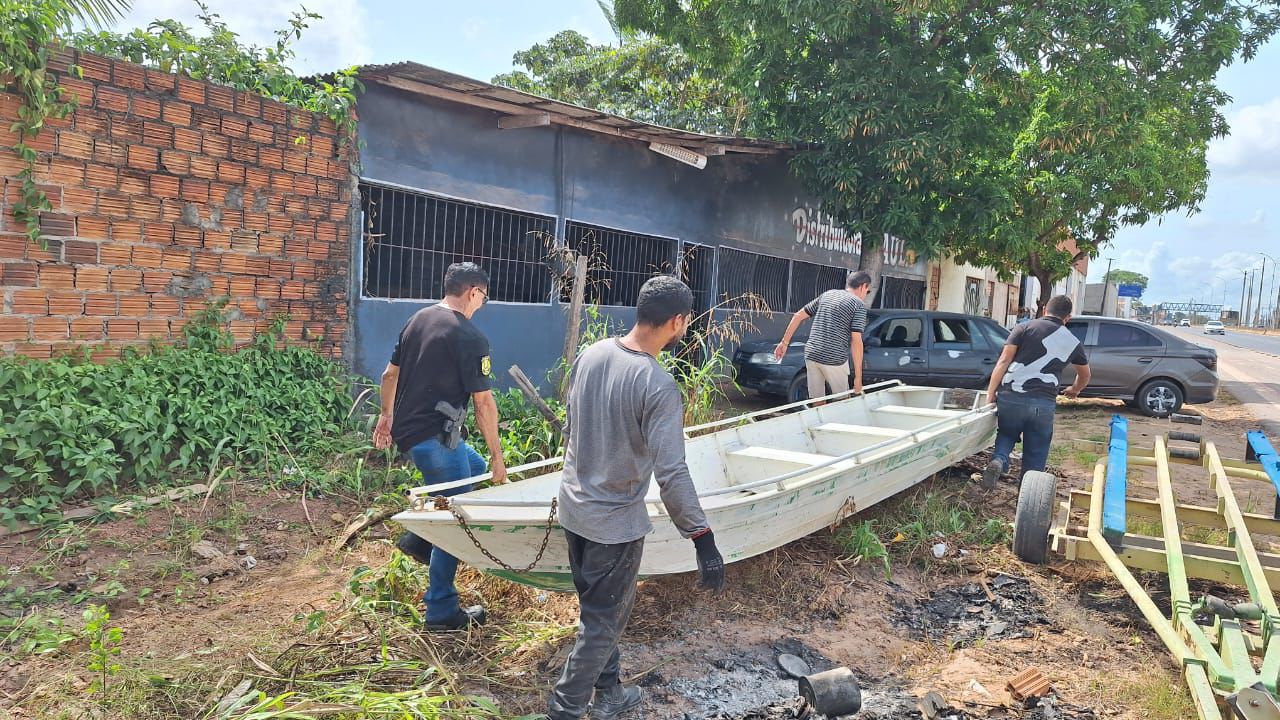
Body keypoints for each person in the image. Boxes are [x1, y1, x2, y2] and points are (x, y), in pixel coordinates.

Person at [547, 276, 725, 720]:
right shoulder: (657, 384)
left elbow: (571, 429)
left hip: (574, 509)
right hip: (613, 527)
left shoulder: (592, 354)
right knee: (603, 624)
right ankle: (565, 709)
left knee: (596, 613)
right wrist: (702, 538)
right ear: (678, 321)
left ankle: (609, 694)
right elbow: (672, 472)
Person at [372, 262, 508, 631]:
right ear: (473, 292)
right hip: (436, 441)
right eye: (483, 298)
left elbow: (389, 374)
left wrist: (386, 416)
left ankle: (420, 539)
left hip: (415, 436)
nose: (481, 305)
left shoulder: (418, 320)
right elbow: (483, 404)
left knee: (473, 468)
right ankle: (441, 609)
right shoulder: (470, 337)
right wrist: (499, 457)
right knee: (455, 521)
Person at [982, 294, 1091, 488]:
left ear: (1045, 310)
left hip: (1011, 396)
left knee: (1006, 433)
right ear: (1068, 318)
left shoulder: (1023, 328)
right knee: (1036, 450)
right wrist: (1075, 390)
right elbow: (1085, 375)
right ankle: (1027, 494)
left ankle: (999, 459)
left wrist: (991, 394)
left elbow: (1004, 361)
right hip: (1043, 403)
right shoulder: (1072, 341)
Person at [773, 270, 872, 402]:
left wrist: (784, 343)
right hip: (834, 358)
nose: (866, 295)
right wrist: (858, 378)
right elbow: (856, 341)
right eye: (868, 291)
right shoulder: (858, 305)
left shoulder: (828, 295)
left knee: (817, 400)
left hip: (812, 354)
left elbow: (798, 316)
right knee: (842, 401)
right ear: (863, 286)